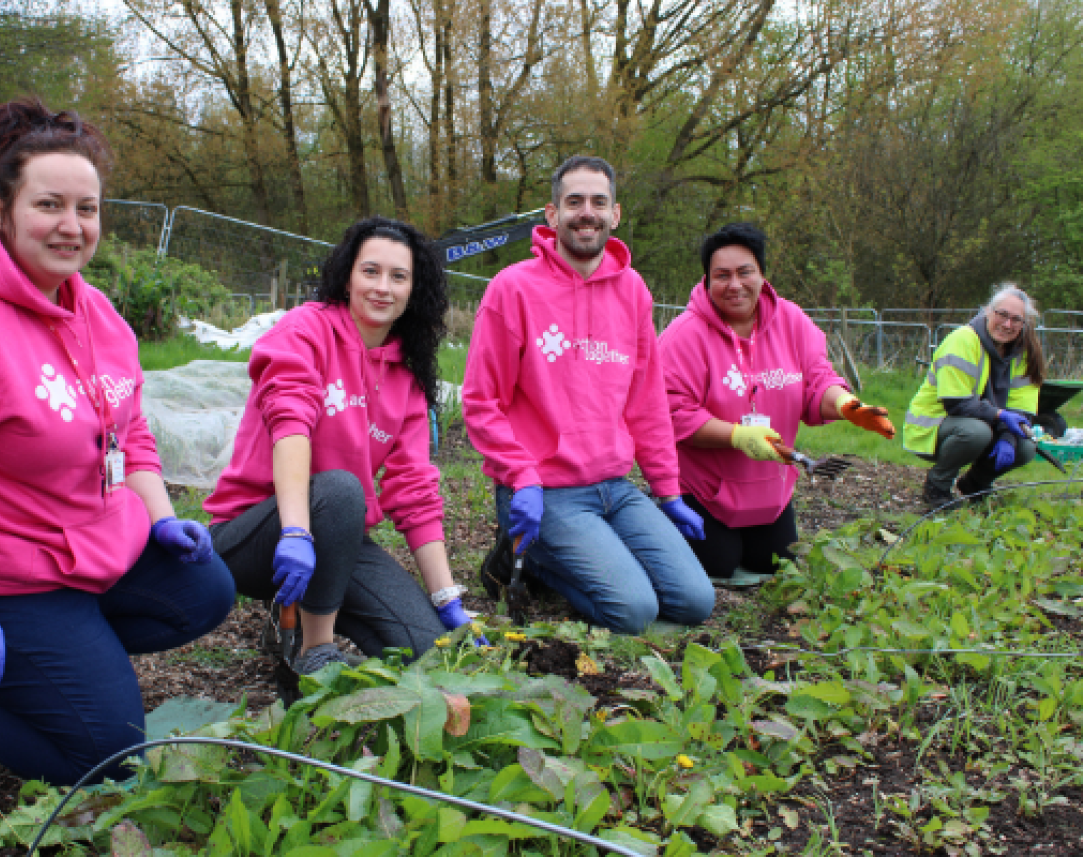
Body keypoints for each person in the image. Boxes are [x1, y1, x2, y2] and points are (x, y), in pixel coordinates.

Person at [0, 98, 235, 786]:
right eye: (49, 204)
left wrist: (160, 518)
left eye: (88, 208)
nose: (72, 226)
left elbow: (131, 433)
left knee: (203, 589)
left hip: (84, 554)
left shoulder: (96, 312)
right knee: (107, 761)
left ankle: (60, 660)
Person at [206, 217, 476, 675]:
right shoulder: (306, 331)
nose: (383, 287)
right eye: (370, 271)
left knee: (426, 649)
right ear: (347, 275)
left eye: (398, 276)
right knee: (340, 490)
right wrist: (294, 531)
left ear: (415, 289)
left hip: (336, 538)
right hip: (257, 533)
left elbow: (414, 491)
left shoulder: (406, 380)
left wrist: (447, 598)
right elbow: (290, 425)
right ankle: (315, 649)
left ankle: (296, 614)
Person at [462, 155, 714, 635]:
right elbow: (480, 401)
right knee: (635, 610)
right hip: (544, 492)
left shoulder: (633, 290)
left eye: (599, 202)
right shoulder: (512, 289)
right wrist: (522, 476)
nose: (587, 212)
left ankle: (571, 555)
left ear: (615, 215)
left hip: (614, 487)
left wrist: (667, 489)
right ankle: (525, 555)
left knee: (694, 601)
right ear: (552, 214)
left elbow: (647, 404)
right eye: (573, 201)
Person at [660, 223, 896, 586]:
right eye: (721, 275)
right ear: (706, 280)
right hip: (706, 490)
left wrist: (849, 406)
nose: (734, 285)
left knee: (775, 563)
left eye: (745, 272)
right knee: (718, 563)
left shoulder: (791, 321)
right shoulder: (684, 335)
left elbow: (818, 380)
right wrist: (736, 435)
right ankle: (656, 512)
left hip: (768, 490)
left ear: (762, 275)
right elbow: (672, 413)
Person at [905, 284, 1044, 507]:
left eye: (1016, 319)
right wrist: (1000, 416)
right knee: (976, 432)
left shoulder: (1024, 353)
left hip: (984, 423)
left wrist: (1008, 438)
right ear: (989, 311)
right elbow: (957, 404)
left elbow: (1022, 410)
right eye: (1002, 315)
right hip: (936, 424)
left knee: (1026, 445)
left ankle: (975, 484)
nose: (1007, 324)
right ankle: (937, 486)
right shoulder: (963, 340)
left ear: (1023, 323)